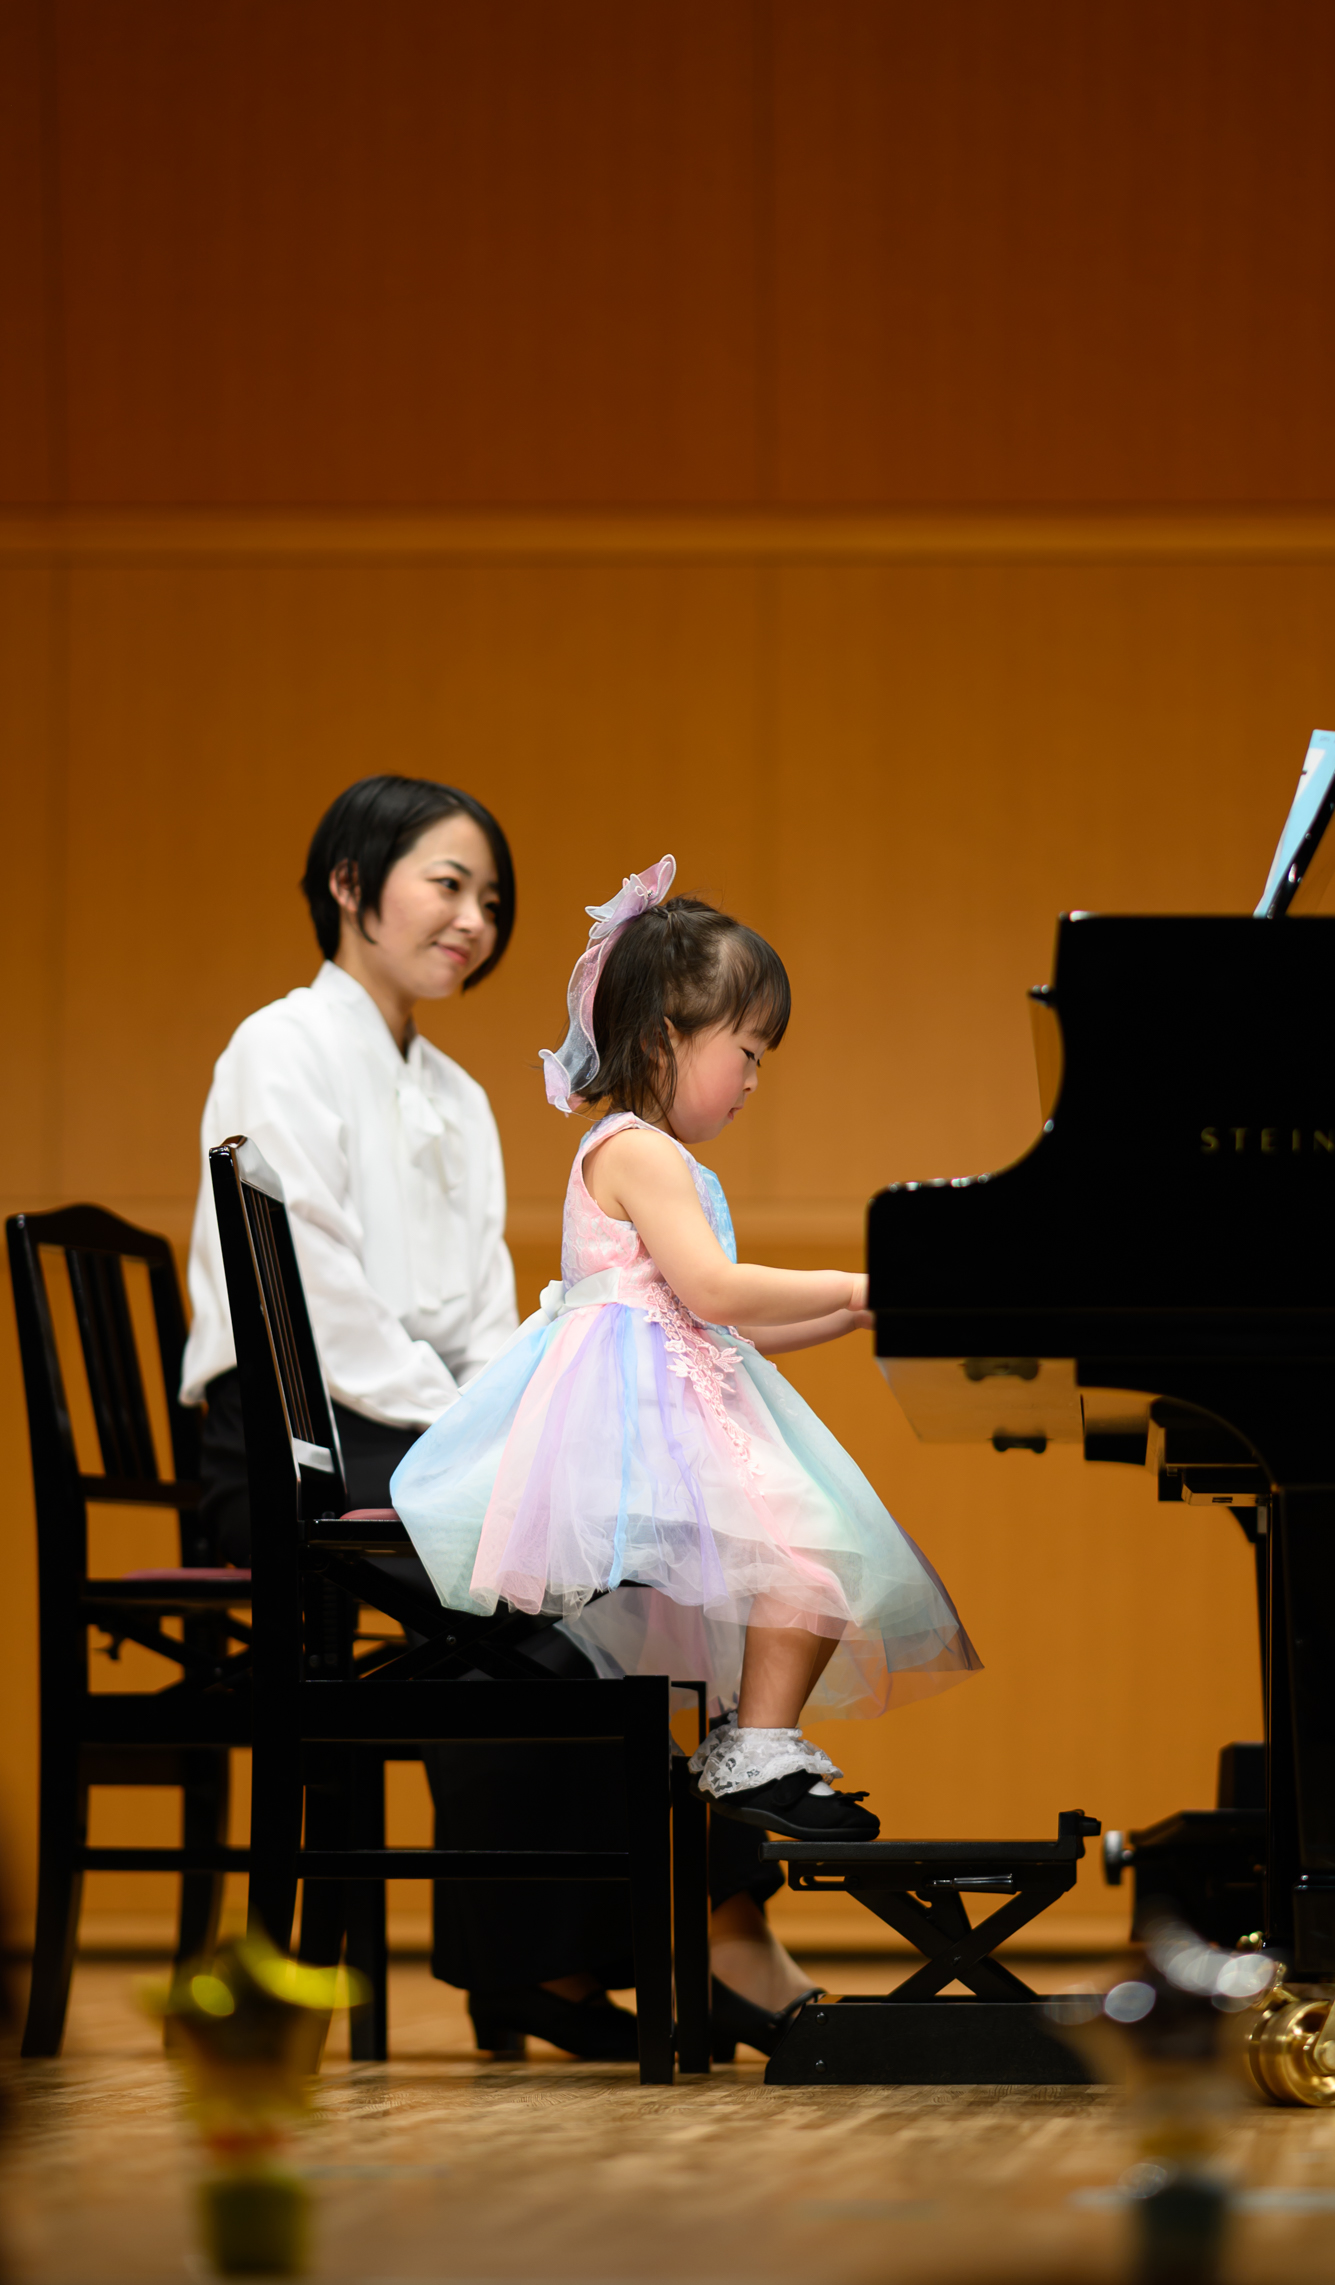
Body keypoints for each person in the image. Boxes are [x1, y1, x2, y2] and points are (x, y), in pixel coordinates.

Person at [181, 779, 803, 2062]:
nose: (473, 918)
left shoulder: (459, 1093)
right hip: (301, 1441)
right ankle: (622, 1946)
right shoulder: (278, 1044)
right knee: (557, 1587)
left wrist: (514, 1431)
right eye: (447, 884)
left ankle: (602, 1946)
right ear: (349, 884)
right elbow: (317, 1307)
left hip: (422, 1430)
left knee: (633, 1570)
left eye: (492, 899)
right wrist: (489, 1445)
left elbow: (474, 1316)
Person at [391, 854, 983, 1890]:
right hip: (636, 1420)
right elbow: (713, 1289)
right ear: (666, 1035)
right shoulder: (636, 1150)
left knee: (809, 1559)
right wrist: (855, 1277)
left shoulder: (654, 1153)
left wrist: (849, 1312)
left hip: (671, 1392)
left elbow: (720, 1322)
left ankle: (750, 1742)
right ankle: (755, 1747)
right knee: (811, 1555)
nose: (753, 1080)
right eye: (745, 1051)